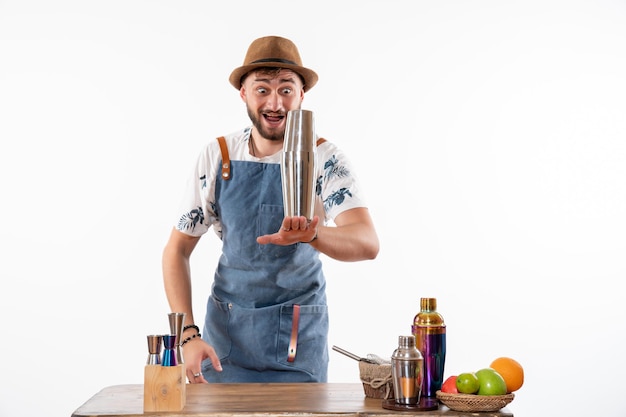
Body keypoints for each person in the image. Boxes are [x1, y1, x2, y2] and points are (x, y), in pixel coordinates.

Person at [162, 35, 379, 384]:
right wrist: (187, 336)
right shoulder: (219, 156)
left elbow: (367, 242)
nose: (275, 103)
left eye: (286, 90)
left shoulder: (325, 159)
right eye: (262, 89)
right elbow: (176, 250)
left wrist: (314, 234)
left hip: (298, 342)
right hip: (223, 345)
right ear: (244, 94)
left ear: (302, 95)